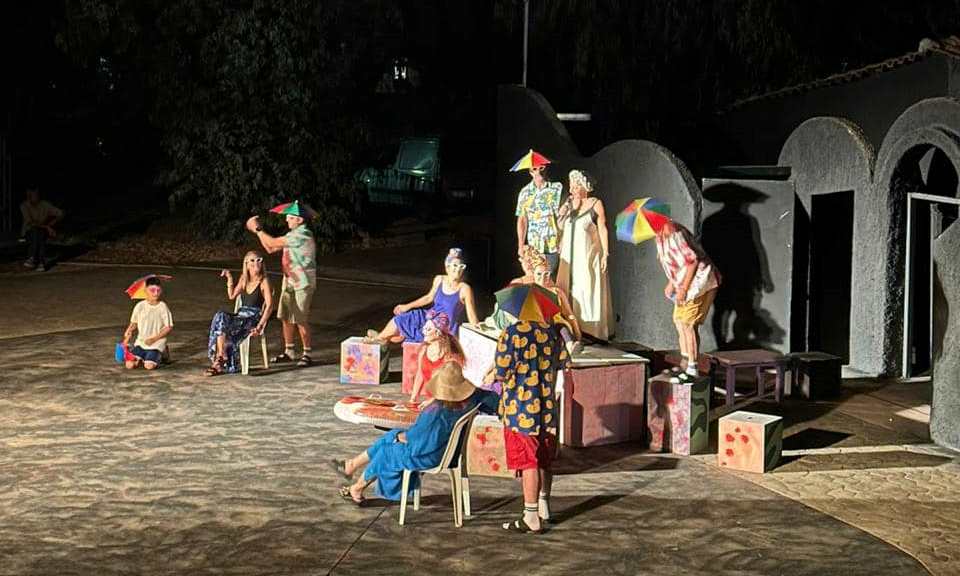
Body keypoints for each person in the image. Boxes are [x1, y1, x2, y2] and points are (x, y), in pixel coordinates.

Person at [330, 362, 480, 505]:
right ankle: (352, 465)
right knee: (392, 434)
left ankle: (357, 489)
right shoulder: (470, 401)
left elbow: (416, 443)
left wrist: (401, 437)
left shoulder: (435, 414)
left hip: (431, 456)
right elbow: (487, 396)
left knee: (386, 451)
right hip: (447, 450)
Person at [490, 318, 570, 533]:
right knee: (544, 457)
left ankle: (531, 516)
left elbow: (501, 372)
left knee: (528, 461)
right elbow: (563, 363)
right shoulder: (553, 333)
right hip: (546, 406)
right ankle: (544, 506)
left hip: (521, 408)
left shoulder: (512, 332)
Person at [246, 202, 316, 367]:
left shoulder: (302, 235)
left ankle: (307, 353)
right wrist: (257, 232)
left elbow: (271, 243)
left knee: (300, 318)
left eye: (290, 218)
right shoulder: (293, 234)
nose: (287, 220)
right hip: (290, 280)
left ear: (299, 220)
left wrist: (257, 229)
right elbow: (270, 248)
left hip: (302, 282)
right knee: (285, 317)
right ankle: (289, 351)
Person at [367, 248, 479, 344]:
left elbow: (472, 316)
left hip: (442, 328)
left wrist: (478, 330)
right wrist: (407, 306)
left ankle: (381, 338)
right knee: (402, 318)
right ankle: (382, 338)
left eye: (461, 266)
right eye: (454, 265)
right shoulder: (439, 279)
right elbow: (429, 297)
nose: (458, 269)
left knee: (401, 334)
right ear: (447, 267)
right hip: (430, 316)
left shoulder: (465, 289)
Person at [655, 219, 721, 383]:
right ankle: (686, 363)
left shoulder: (673, 232)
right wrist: (671, 283)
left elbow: (692, 262)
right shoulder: (659, 237)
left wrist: (683, 289)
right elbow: (676, 264)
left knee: (687, 323)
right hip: (685, 282)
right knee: (679, 321)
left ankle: (692, 368)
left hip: (700, 281)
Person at [556, 169, 614, 340]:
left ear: (584, 186)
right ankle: (569, 329)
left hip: (587, 253)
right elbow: (561, 227)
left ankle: (590, 330)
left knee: (586, 288)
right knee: (567, 288)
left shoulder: (595, 203)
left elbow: (602, 228)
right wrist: (563, 212)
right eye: (571, 186)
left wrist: (605, 253)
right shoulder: (570, 205)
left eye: (576, 186)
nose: (572, 190)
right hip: (569, 255)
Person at [205, 251, 274, 376]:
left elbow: (269, 306)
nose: (256, 263)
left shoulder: (264, 281)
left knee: (223, 326)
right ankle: (221, 356)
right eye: (252, 260)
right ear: (246, 264)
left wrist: (260, 326)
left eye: (259, 260)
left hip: (253, 318)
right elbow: (232, 296)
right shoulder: (244, 279)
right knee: (220, 316)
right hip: (240, 316)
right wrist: (230, 278)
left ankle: (219, 361)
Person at [530, 248, 582, 353]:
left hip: (556, 324)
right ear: (533, 274)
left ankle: (570, 346)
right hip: (537, 324)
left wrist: (577, 334)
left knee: (562, 328)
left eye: (546, 274)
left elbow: (569, 314)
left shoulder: (557, 292)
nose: (543, 278)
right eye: (539, 274)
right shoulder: (530, 292)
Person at [516, 163, 563, 277]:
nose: (539, 171)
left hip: (554, 244)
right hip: (534, 245)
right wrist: (520, 245)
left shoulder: (557, 187)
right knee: (535, 279)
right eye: (535, 169)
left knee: (551, 279)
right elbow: (522, 219)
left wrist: (563, 239)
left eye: (541, 167)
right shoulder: (525, 192)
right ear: (531, 172)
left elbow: (564, 216)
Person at [409, 311, 465, 403]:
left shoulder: (450, 355)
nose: (424, 332)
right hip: (433, 400)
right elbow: (420, 374)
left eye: (428, 329)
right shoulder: (424, 350)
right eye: (424, 328)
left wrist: (433, 401)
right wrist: (413, 397)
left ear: (438, 332)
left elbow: (451, 386)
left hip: (449, 400)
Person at [122, 277, 174, 370]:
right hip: (141, 343)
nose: (156, 293)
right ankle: (143, 357)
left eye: (158, 290)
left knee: (149, 366)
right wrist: (129, 330)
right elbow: (134, 322)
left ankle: (162, 353)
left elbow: (168, 327)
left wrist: (154, 339)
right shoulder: (140, 306)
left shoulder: (162, 307)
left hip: (156, 344)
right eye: (152, 290)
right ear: (145, 290)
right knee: (129, 365)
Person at [20, 185, 64, 272]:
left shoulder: (45, 204)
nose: (31, 197)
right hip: (29, 232)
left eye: (34, 195)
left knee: (39, 233)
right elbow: (31, 223)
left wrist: (52, 224)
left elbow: (61, 213)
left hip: (42, 231)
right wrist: (48, 227)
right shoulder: (24, 205)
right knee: (37, 232)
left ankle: (32, 258)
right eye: (29, 195)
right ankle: (40, 262)